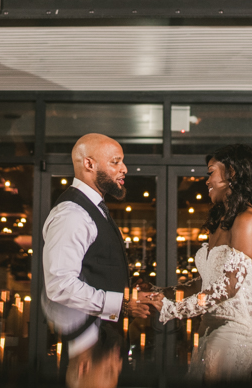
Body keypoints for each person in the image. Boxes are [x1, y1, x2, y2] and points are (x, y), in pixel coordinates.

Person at [142, 144, 252, 383]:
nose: (207, 181)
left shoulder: (247, 219)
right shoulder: (222, 222)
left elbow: (228, 286)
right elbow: (205, 284)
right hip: (209, 324)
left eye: (211, 172)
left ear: (232, 173)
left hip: (238, 327)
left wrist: (172, 309)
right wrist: (159, 293)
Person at [41, 133, 150, 384]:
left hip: (103, 342)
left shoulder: (93, 209)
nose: (124, 169)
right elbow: (60, 286)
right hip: (87, 351)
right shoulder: (72, 214)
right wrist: (121, 304)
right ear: (89, 164)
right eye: (115, 162)